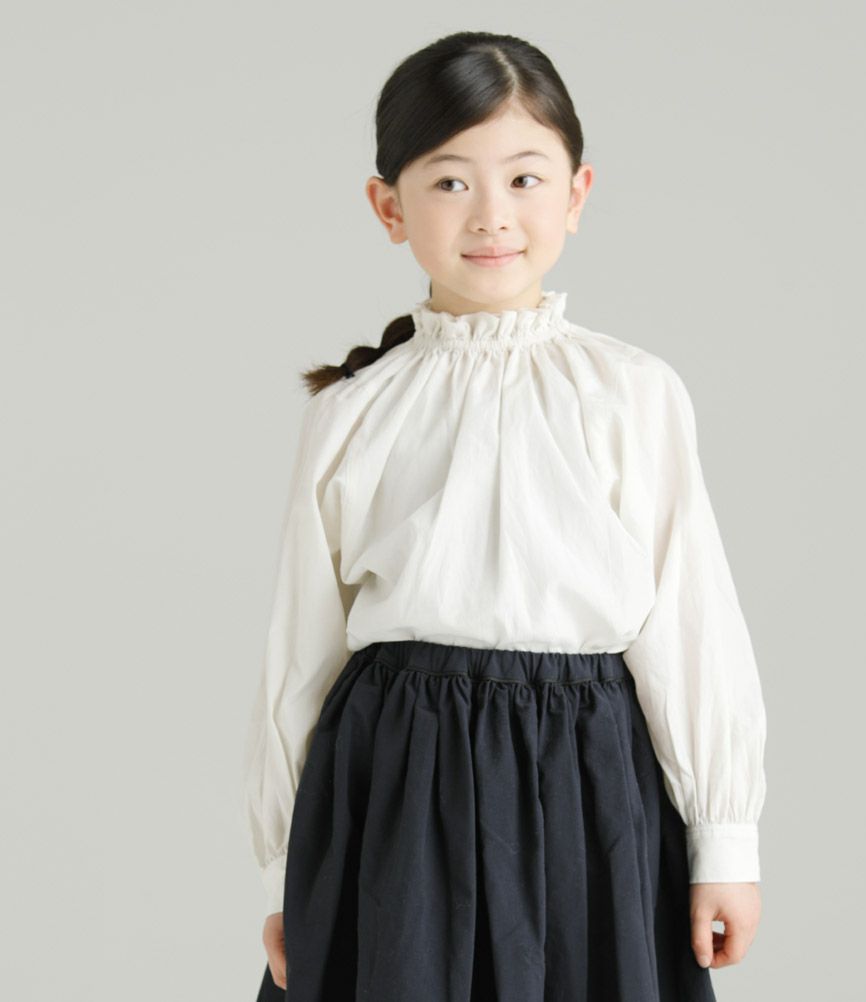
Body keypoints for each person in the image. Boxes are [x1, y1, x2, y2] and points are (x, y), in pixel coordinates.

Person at [243, 29, 767, 1002]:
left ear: (577, 193)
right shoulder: (353, 414)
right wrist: (285, 870)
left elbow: (691, 621)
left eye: (525, 179)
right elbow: (299, 653)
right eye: (450, 182)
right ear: (388, 206)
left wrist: (724, 840)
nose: (491, 214)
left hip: (590, 781)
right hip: (398, 784)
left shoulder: (632, 392)